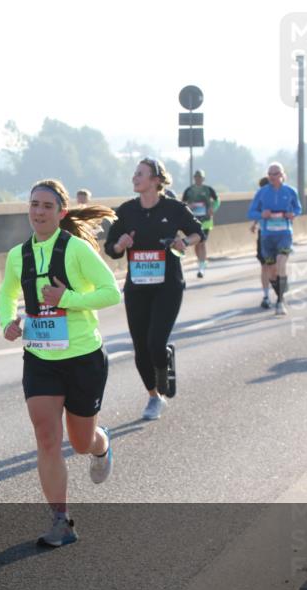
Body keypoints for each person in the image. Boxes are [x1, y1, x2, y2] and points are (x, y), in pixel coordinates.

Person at [0, 179, 120, 547]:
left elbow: (111, 292)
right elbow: (7, 293)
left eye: (47, 206)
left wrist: (67, 297)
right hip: (40, 357)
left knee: (81, 442)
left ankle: (101, 446)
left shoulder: (77, 250)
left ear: (61, 213)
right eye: (34, 204)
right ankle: (61, 520)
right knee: (47, 437)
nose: (38, 211)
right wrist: (8, 320)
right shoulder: (18, 255)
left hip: (83, 357)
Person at [104, 158, 204, 420]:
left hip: (168, 285)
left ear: (156, 180)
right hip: (137, 288)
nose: (135, 178)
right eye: (134, 174)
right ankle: (154, 397)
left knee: (155, 342)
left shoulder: (174, 208)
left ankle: (163, 362)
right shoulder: (126, 211)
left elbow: (198, 232)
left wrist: (184, 241)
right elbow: (110, 247)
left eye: (140, 174)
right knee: (141, 347)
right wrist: (120, 245)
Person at [247, 162, 302, 316]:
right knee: (271, 271)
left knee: (281, 263)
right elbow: (251, 212)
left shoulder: (290, 191)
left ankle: (280, 300)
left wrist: (293, 214)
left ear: (282, 175)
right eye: (270, 174)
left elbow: (298, 209)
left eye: (275, 173)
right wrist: (261, 215)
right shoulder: (262, 192)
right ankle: (280, 292)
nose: (272, 177)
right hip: (267, 235)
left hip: (284, 233)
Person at [182, 169, 220, 278]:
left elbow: (217, 200)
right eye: (196, 177)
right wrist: (189, 206)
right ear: (194, 178)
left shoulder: (208, 190)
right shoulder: (189, 190)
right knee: (197, 244)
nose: (198, 179)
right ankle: (201, 262)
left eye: (200, 177)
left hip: (206, 221)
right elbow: (182, 203)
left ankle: (201, 267)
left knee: (202, 243)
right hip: (193, 221)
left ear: (203, 179)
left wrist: (213, 208)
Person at [250, 176, 273, 309]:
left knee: (274, 267)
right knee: (265, 266)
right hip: (263, 235)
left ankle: (279, 290)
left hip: (278, 237)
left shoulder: (280, 196)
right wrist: (254, 224)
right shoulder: (261, 198)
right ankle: (266, 296)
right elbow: (257, 212)